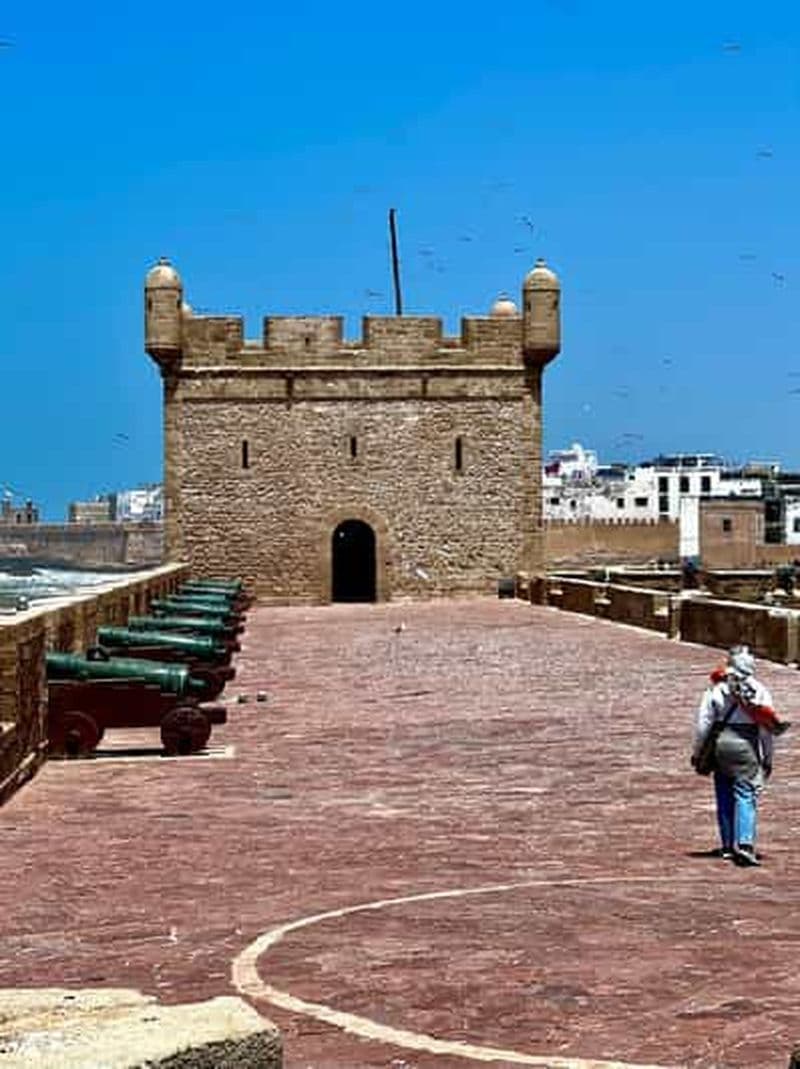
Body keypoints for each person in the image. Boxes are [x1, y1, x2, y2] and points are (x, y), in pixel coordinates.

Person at [692, 645, 788, 866]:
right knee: (745, 792)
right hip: (746, 744)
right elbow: (767, 728)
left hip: (720, 744)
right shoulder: (759, 690)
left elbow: (703, 723)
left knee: (724, 793)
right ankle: (744, 843)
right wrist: (767, 758)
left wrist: (698, 751)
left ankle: (727, 845)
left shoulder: (716, 689)